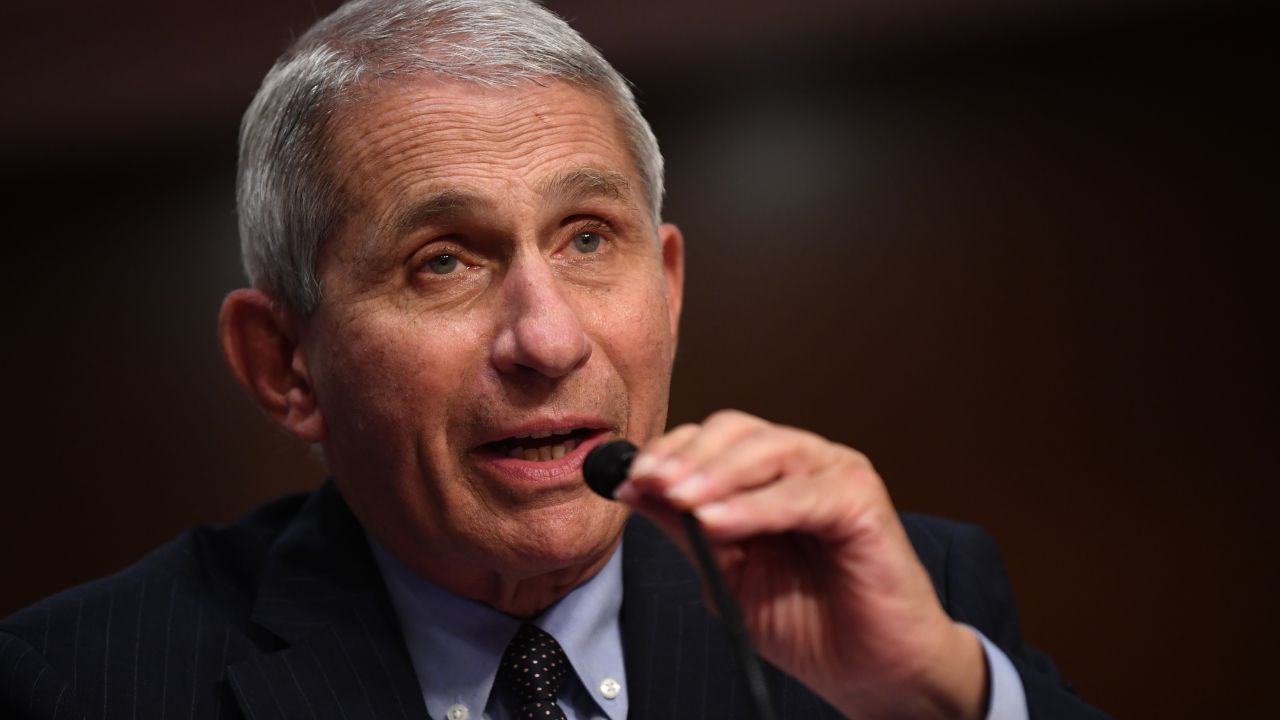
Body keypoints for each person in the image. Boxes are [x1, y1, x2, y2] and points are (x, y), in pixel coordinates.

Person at [1, 1, 1108, 718]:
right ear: (284, 362)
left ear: (666, 289)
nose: (548, 339)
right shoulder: (82, 686)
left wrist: (934, 701)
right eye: (442, 262)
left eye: (588, 239)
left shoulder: (911, 600)